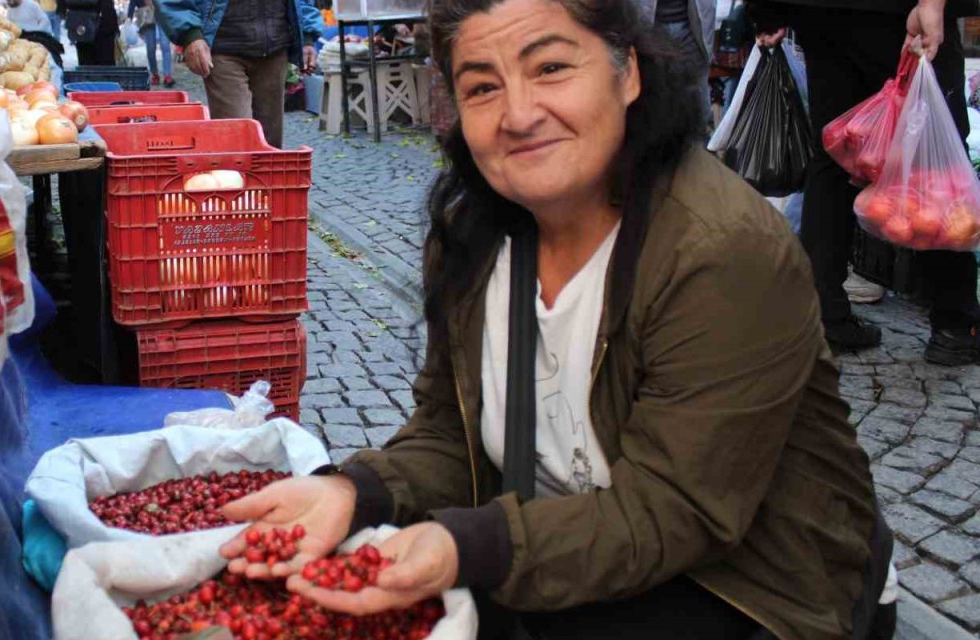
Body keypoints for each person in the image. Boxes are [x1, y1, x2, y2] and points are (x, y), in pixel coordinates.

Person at [214, 0, 895, 638]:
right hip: (566, 544)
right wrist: (355, 493)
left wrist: (464, 546)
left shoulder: (717, 248)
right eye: (482, 87)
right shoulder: (471, 230)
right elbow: (451, 435)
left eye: (550, 68)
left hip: (749, 582)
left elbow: (675, 510)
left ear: (627, 73)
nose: (517, 114)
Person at [749, 0, 980, 362]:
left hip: (824, 13)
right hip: (894, 10)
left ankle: (824, 314)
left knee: (833, 153)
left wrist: (767, 10)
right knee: (935, 161)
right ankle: (954, 321)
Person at [155, 0, 323, 148]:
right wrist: (190, 35)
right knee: (236, 142)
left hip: (275, 46)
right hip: (223, 48)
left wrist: (306, 34)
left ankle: (264, 183)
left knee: (269, 146)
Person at [637, 0, 717, 124]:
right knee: (657, 93)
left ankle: (702, 135)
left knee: (698, 94)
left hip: (692, 30)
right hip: (653, 28)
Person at [128, 0, 174, 86]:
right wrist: (129, 17)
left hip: (162, 12)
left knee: (165, 45)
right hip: (147, 13)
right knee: (150, 48)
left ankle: (167, 75)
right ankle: (155, 74)